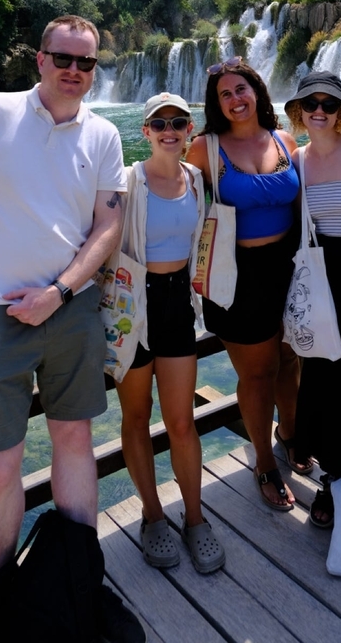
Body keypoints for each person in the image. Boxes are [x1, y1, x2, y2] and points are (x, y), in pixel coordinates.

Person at [0, 14, 144, 643]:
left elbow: (107, 227)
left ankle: (75, 577)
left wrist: (60, 291)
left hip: (70, 312)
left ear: (96, 69)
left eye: (86, 62)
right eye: (63, 58)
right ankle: (6, 593)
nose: (75, 70)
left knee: (74, 443)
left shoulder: (102, 135)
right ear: (39, 60)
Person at [186, 57, 303, 511]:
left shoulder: (285, 140)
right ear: (217, 104)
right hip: (237, 274)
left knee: (291, 359)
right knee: (257, 374)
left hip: (290, 267)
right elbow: (177, 203)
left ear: (257, 91)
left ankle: (290, 434)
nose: (235, 99)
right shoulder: (205, 149)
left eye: (241, 89)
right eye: (225, 94)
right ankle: (263, 462)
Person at [115, 92, 225, 574]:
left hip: (178, 305)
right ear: (145, 131)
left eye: (178, 122)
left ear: (189, 130)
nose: (169, 130)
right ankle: (153, 515)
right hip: (132, 308)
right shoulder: (126, 181)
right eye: (159, 122)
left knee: (182, 422)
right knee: (137, 418)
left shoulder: (198, 179)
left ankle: (195, 518)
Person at [284, 72, 341, 529]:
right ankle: (333, 478)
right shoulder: (297, 160)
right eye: (309, 103)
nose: (318, 110)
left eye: (327, 103)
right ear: (298, 111)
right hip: (321, 285)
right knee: (321, 383)